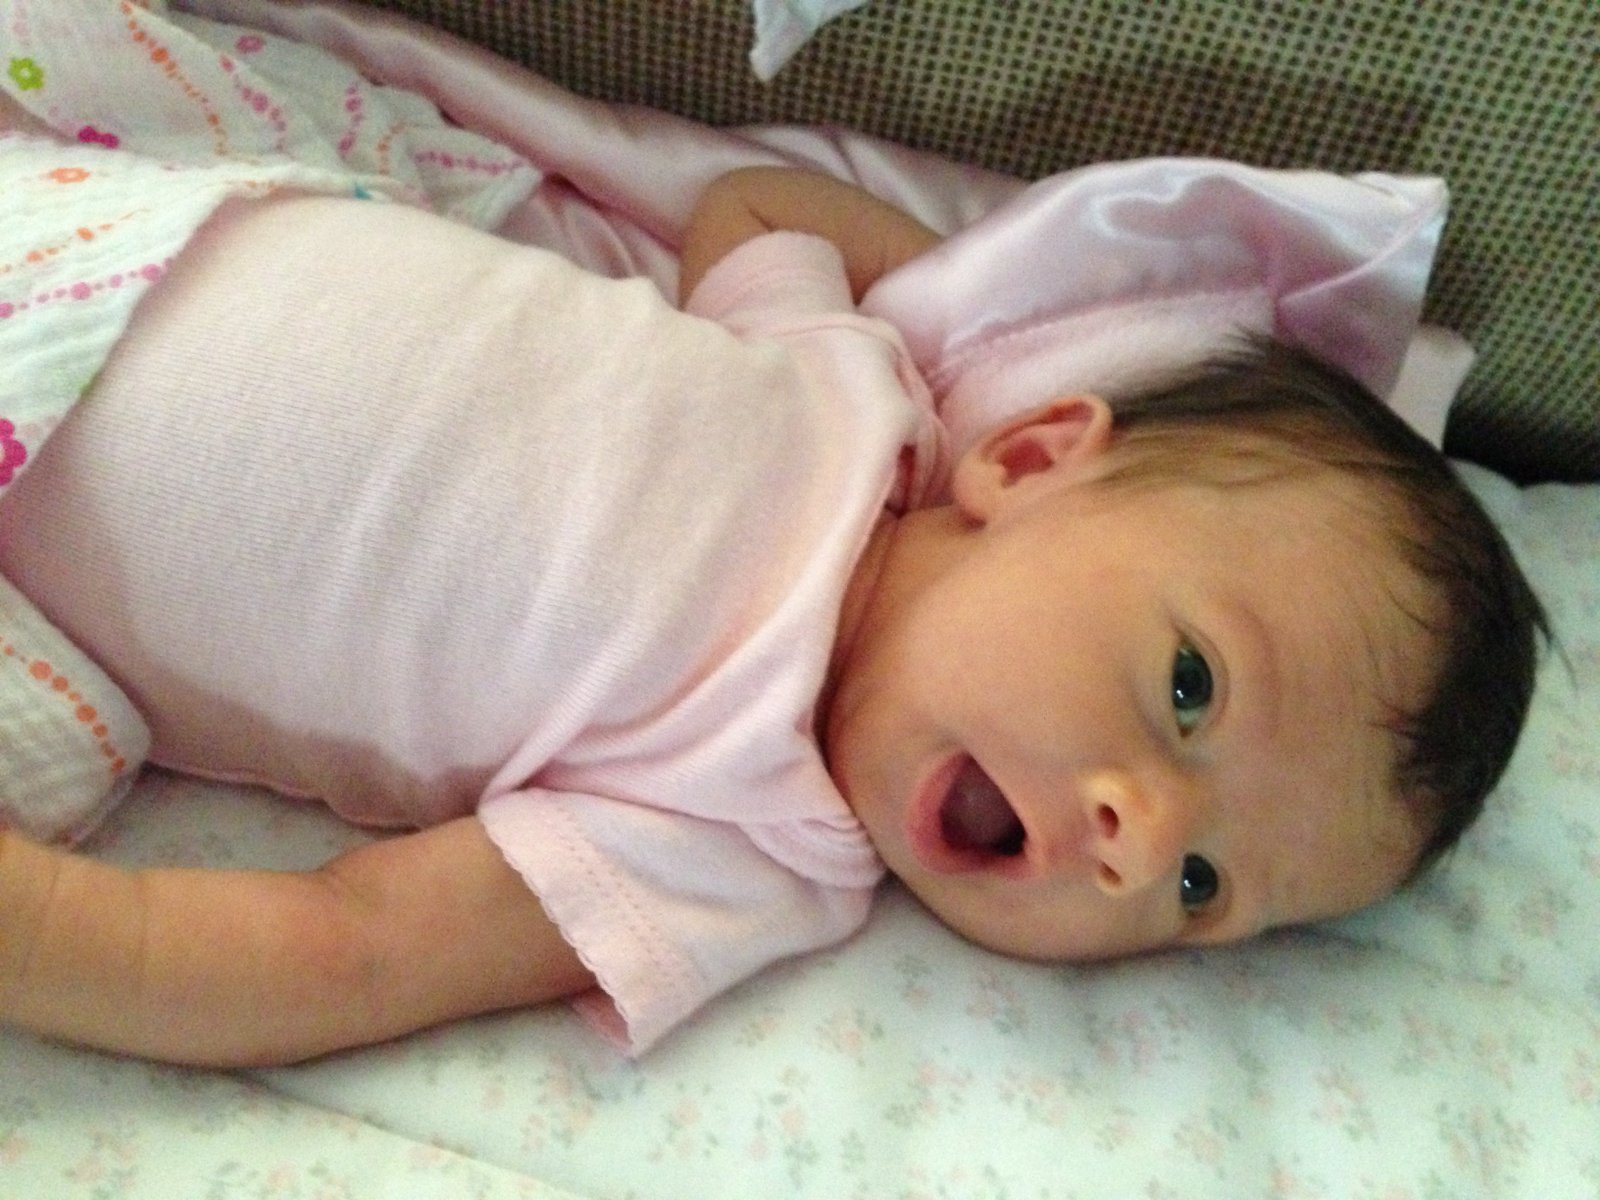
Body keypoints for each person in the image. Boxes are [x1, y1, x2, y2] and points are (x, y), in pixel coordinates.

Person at [0, 166, 1545, 1068]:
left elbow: (345, 952)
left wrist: (49, 935)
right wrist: (967, 332)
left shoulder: (748, 847)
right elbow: (754, 205)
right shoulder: (855, 388)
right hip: (110, 221)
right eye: (1193, 687)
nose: (1138, 843)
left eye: (1203, 887)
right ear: (1027, 462)